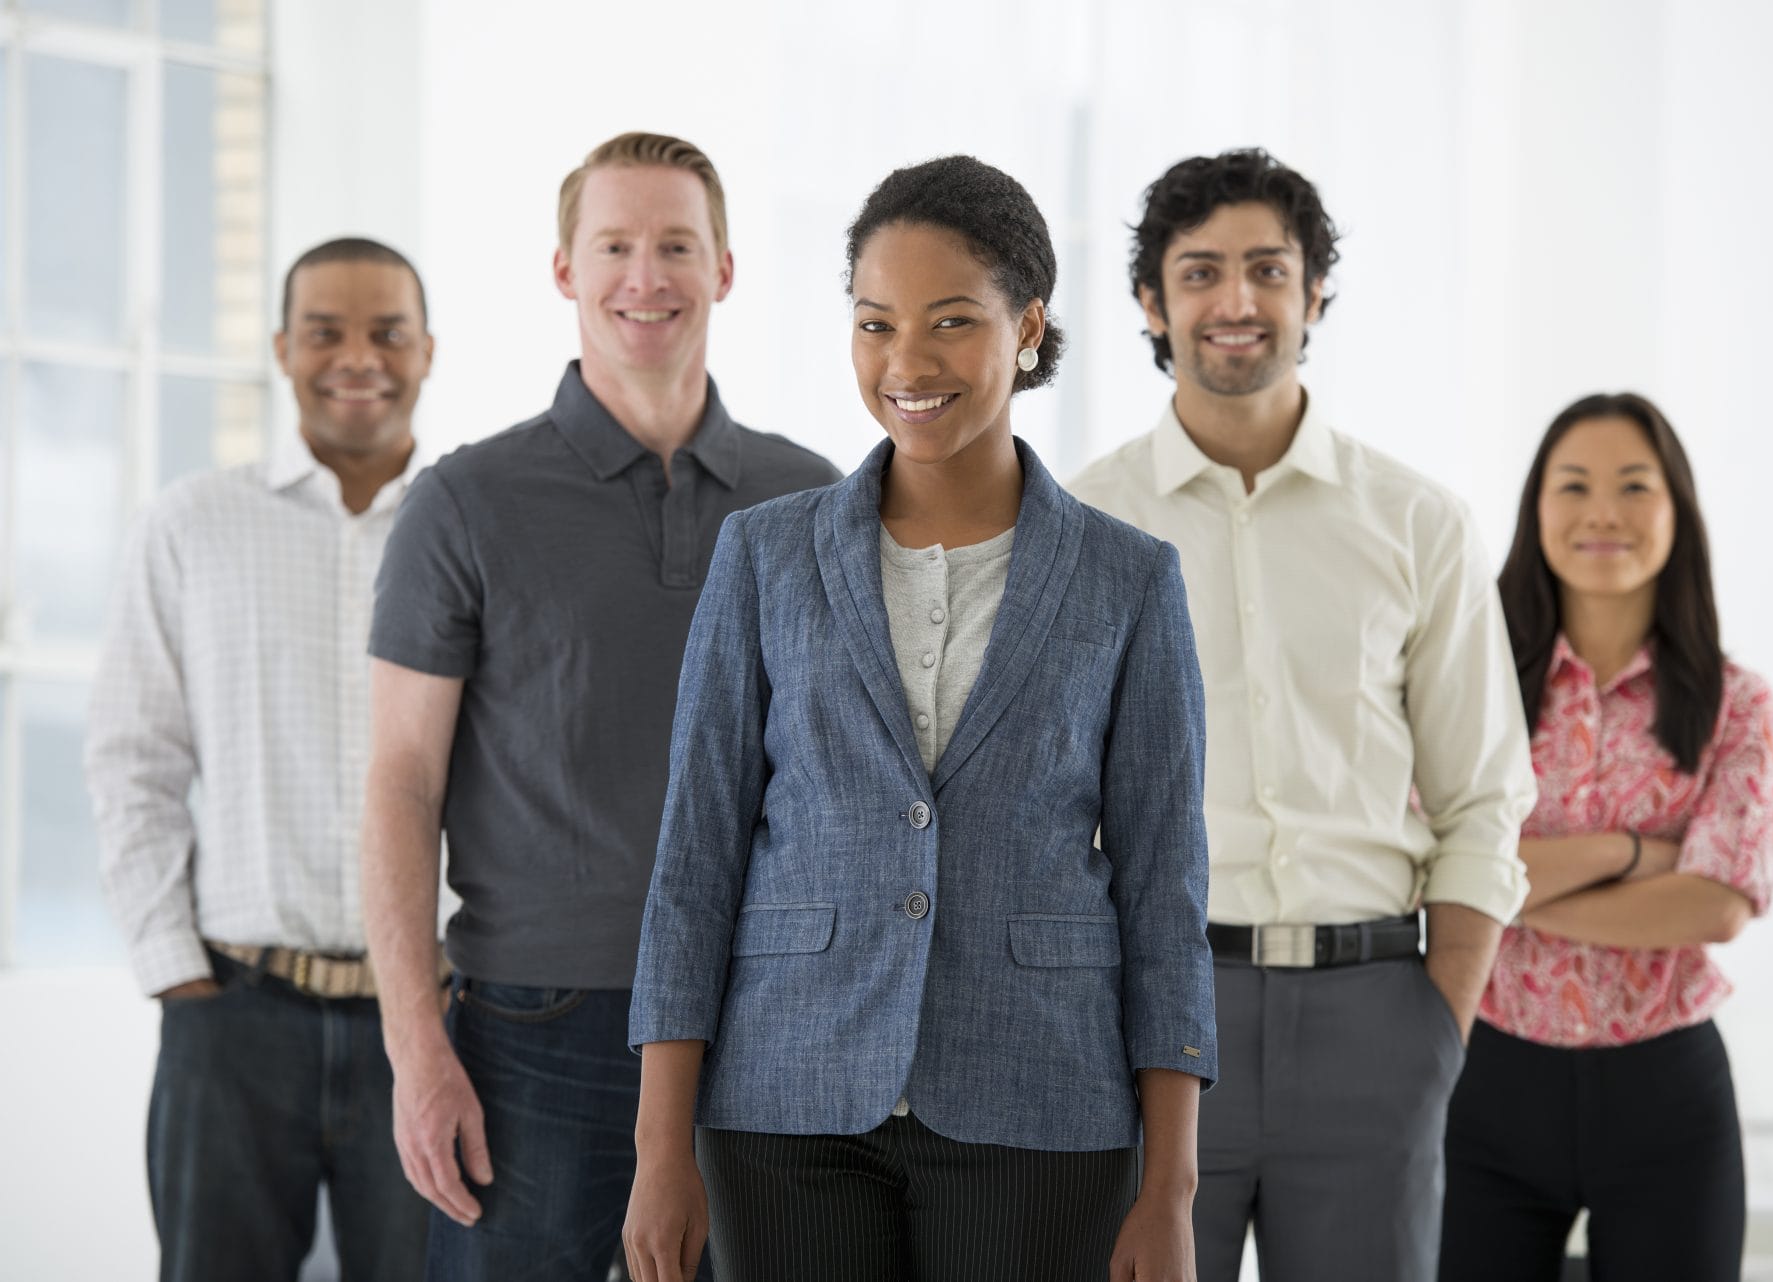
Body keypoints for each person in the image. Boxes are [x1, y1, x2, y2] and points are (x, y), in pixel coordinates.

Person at [622, 155, 1216, 1282]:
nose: (907, 363)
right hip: (786, 1103)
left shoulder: (1128, 580)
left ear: (1027, 326)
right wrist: (661, 1148)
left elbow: (1164, 889)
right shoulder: (764, 556)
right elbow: (695, 859)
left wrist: (1171, 1188)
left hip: (1039, 1102)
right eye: (874, 323)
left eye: (950, 321)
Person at [361, 132, 839, 1281]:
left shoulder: (812, 498)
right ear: (564, 270)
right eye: (614, 245)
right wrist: (415, 1044)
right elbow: (399, 779)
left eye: (677, 245)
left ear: (724, 269)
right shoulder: (464, 502)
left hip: (764, 1014)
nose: (646, 276)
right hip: (534, 1027)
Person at [1068, 148, 1537, 1282]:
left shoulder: (1418, 521)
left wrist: (1437, 1029)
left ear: (1314, 292)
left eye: (1268, 270)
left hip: (1377, 1015)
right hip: (1149, 1023)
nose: (1236, 302)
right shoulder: (1082, 524)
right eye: (1201, 272)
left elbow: (1485, 795)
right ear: (1152, 301)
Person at [85, 237, 435, 1281]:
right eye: (325, 330)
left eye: (387, 331)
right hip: (234, 1018)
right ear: (283, 347)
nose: (357, 356)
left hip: (431, 1028)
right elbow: (130, 757)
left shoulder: (473, 527)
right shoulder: (195, 523)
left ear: (429, 350)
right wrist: (174, 972)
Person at [1438, 392, 1773, 1282]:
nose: (1604, 513)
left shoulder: (1737, 703)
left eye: (1635, 486)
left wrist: (1505, 895)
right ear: (1537, 509)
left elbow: (1715, 906)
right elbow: (1429, 874)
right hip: (1487, 1082)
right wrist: (1628, 854)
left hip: (1667, 1095)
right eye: (1575, 487)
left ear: (1677, 511)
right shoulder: (1469, 686)